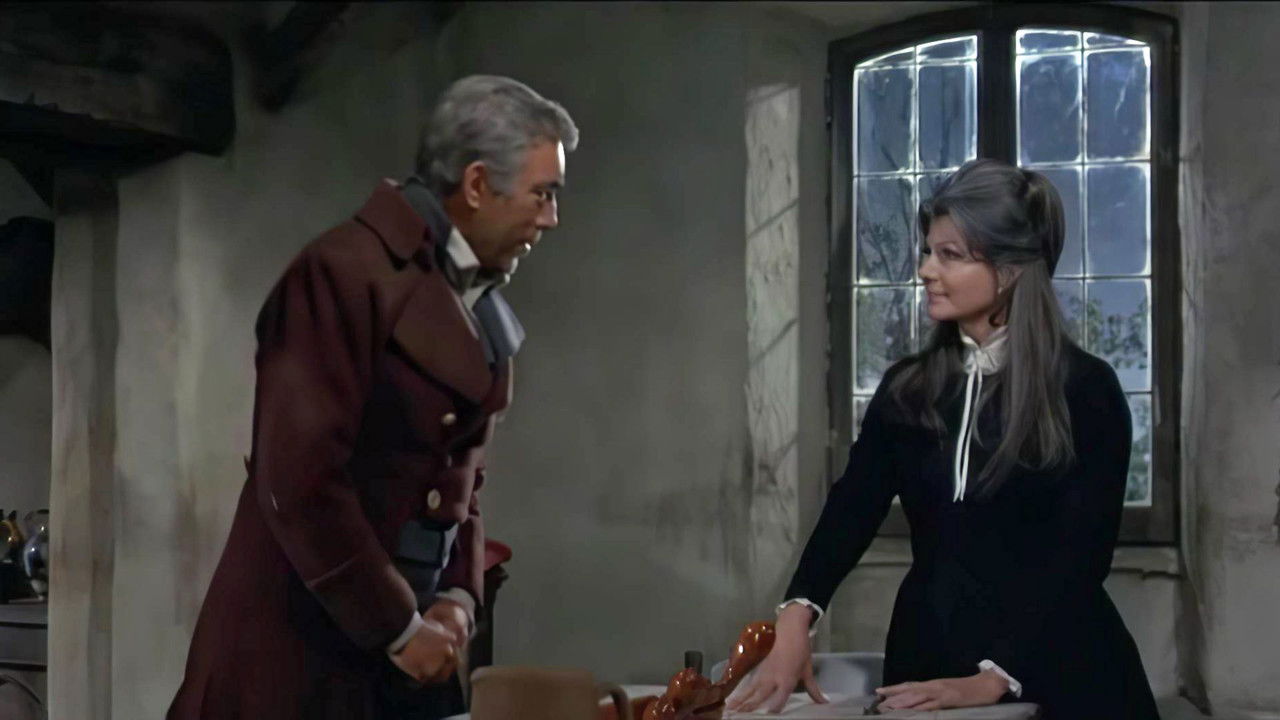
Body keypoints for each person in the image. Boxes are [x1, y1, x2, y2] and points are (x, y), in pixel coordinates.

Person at [166, 75, 578, 720]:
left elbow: (462, 481)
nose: (551, 217)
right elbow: (299, 481)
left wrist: (458, 599)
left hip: (405, 656)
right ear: (476, 185)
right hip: (302, 652)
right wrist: (399, 629)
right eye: (542, 193)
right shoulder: (341, 273)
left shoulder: (475, 301)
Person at [728, 159, 1160, 720]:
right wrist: (796, 616)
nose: (926, 270)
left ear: (1010, 270)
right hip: (926, 654)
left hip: (1061, 668)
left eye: (950, 255)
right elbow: (851, 508)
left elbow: (1079, 559)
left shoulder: (1086, 390)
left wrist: (994, 677)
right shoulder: (907, 389)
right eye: (927, 251)